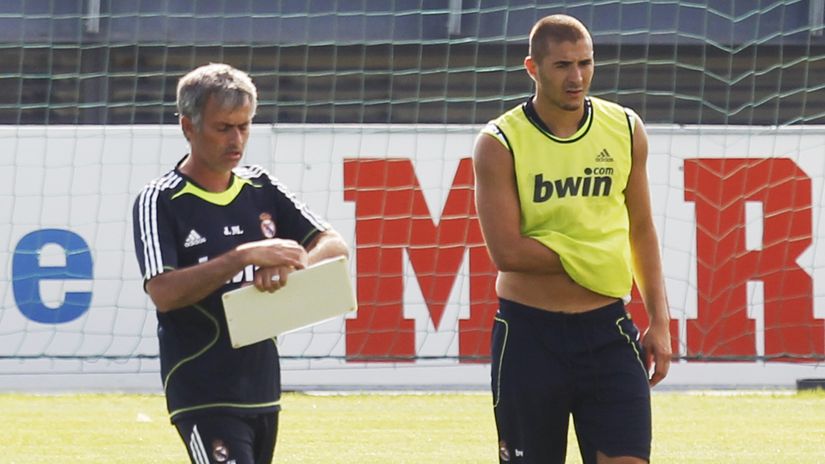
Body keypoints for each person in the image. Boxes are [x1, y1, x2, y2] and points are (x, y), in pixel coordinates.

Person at [472, 14, 672, 464]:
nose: (577, 77)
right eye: (562, 65)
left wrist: (659, 321)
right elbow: (507, 251)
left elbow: (641, 228)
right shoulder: (499, 142)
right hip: (528, 335)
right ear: (532, 68)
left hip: (608, 330)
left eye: (585, 63)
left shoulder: (624, 128)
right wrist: (599, 253)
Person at [132, 63, 349, 464]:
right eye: (223, 128)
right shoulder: (160, 199)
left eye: (244, 127)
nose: (237, 140)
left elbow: (334, 244)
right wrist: (242, 257)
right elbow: (163, 293)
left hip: (262, 389)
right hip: (202, 390)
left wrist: (291, 265)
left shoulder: (260, 186)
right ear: (188, 127)